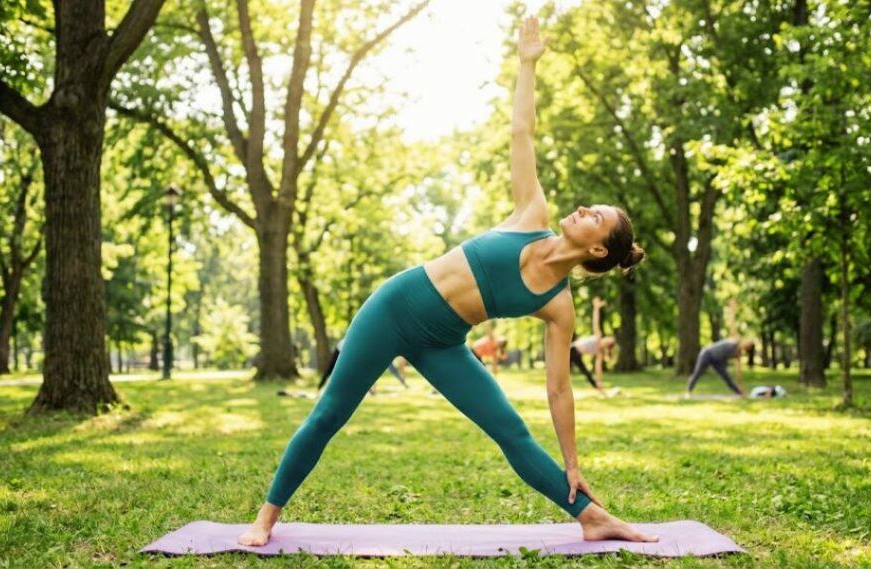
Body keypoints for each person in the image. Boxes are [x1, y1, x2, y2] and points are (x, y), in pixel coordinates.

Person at [237, 16, 653, 547]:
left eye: (596, 215)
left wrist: (573, 460)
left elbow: (559, 387)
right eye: (589, 206)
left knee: (511, 430)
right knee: (330, 414)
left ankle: (592, 515)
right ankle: (266, 516)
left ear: (598, 248)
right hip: (391, 311)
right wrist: (527, 65)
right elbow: (521, 131)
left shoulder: (559, 305)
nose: (582, 208)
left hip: (441, 344)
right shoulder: (532, 212)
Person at [316, 339, 408, 395]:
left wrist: (373, 388)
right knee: (331, 369)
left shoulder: (369, 347)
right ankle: (320, 387)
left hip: (349, 349)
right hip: (341, 349)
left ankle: (403, 383)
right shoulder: (356, 348)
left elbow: (369, 371)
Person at [570, 297, 617, 396]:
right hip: (572, 350)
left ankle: (599, 388)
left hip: (576, 354)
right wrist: (596, 308)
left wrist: (599, 381)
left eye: (609, 339)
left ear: (608, 344)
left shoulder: (599, 351)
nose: (607, 337)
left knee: (587, 374)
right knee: (563, 370)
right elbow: (596, 322)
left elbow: (598, 368)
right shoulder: (598, 338)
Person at [685, 338, 756, 398]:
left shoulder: (737, 350)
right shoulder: (732, 344)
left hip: (717, 359)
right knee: (698, 373)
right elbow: (731, 352)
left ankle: (738, 392)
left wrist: (737, 355)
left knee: (726, 376)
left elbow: (730, 356)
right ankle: (688, 391)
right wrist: (736, 354)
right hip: (707, 354)